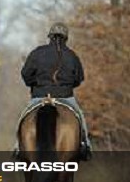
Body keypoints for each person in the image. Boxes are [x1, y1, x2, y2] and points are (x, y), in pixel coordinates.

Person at [17, 22, 92, 160]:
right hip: (66, 97)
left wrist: (33, 84)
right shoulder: (72, 55)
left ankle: (17, 146)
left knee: (23, 118)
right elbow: (79, 78)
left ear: (50, 37)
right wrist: (66, 86)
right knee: (80, 118)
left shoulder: (37, 52)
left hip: (39, 96)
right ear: (66, 38)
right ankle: (85, 145)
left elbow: (26, 74)